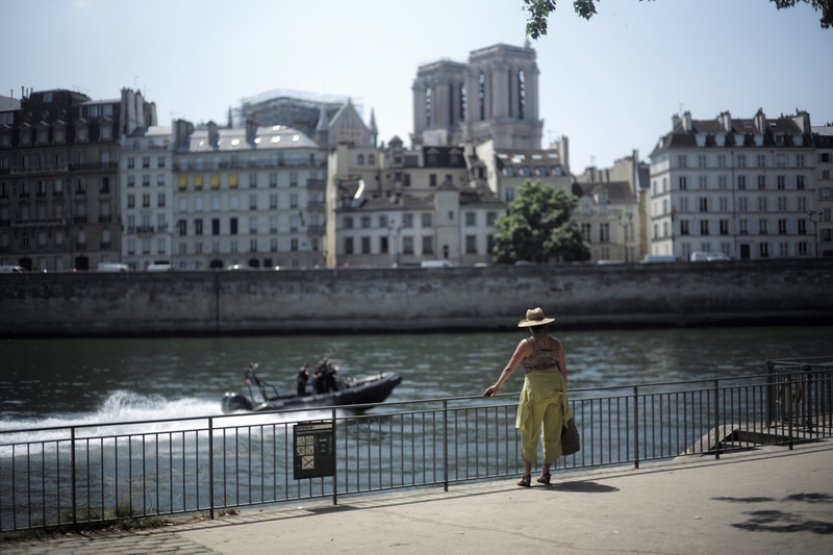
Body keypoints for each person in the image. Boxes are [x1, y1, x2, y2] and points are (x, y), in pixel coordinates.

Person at [484, 307, 569, 488]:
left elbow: (510, 368)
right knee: (552, 432)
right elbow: (563, 371)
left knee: (529, 430)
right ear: (544, 324)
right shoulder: (556, 343)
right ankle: (545, 474)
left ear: (529, 326)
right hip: (556, 389)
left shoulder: (527, 344)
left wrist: (496, 387)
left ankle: (527, 476)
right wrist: (563, 393)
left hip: (535, 390)